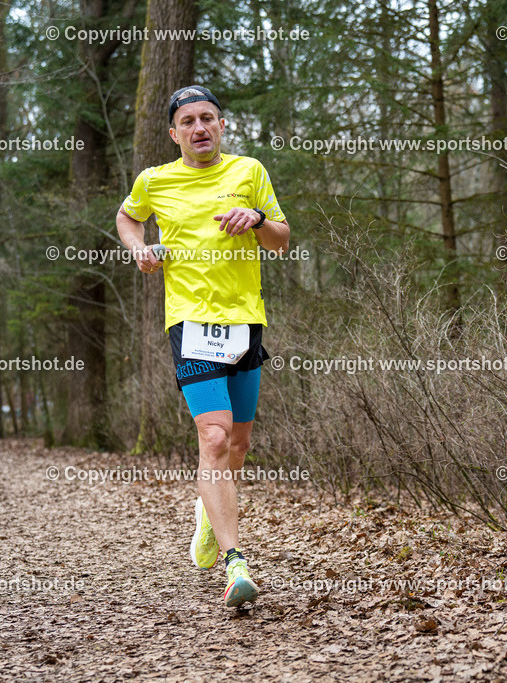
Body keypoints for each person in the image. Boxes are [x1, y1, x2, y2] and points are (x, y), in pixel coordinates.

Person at [115, 85, 290, 607]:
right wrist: (140, 248)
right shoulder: (155, 181)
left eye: (208, 118)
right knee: (213, 439)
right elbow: (128, 217)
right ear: (174, 134)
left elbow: (282, 239)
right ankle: (237, 563)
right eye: (188, 121)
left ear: (220, 125)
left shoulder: (249, 172)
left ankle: (208, 514)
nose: (199, 128)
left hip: (245, 322)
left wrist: (258, 221)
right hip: (189, 324)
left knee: (238, 444)